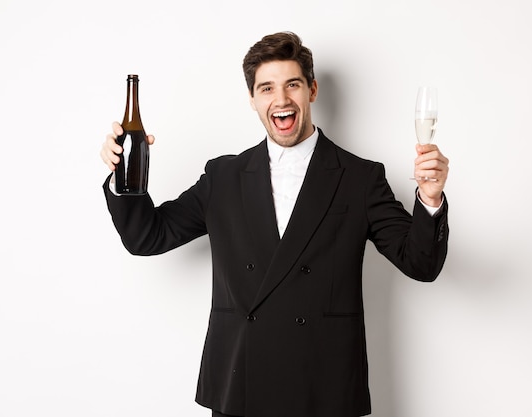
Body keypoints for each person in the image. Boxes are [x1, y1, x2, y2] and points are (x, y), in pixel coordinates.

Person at [101, 32, 449, 417]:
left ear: (312, 90)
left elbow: (420, 263)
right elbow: (146, 237)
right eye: (266, 88)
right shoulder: (223, 177)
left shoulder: (359, 178)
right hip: (241, 386)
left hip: (324, 389)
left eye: (292, 85)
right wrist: (124, 174)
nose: (281, 100)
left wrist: (429, 199)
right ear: (252, 99)